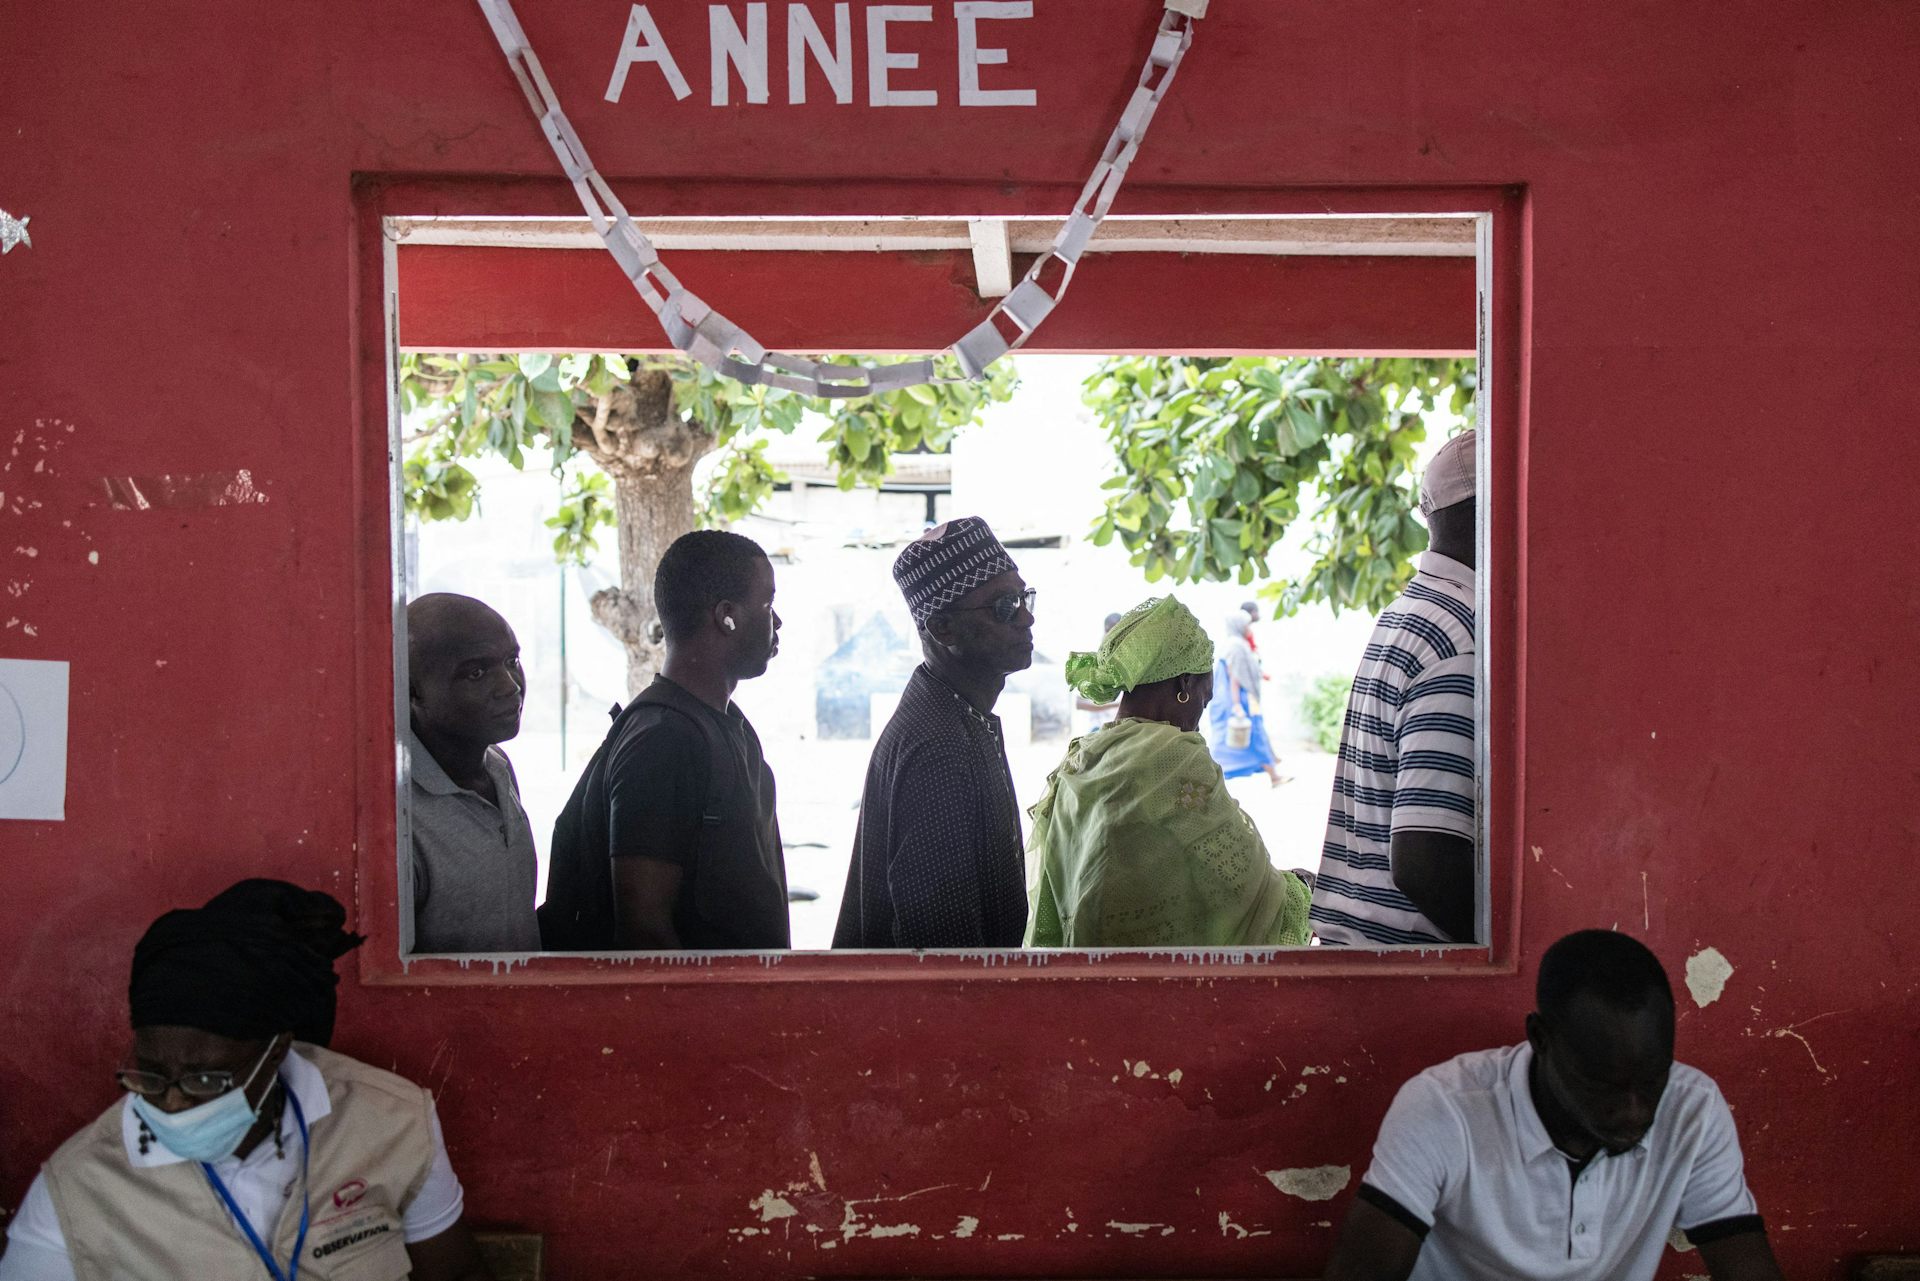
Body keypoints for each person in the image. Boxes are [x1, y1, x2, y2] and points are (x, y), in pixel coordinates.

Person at [0, 880, 492, 1281]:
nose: (172, 1103)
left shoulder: (389, 1120)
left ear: (275, 1050)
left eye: (206, 1079)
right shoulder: (80, 1188)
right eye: (150, 1075)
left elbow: (455, 1274)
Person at [1322, 929, 1783, 1281]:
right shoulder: (1445, 1110)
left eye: (1652, 1081)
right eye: (1603, 1085)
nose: (1634, 1112)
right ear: (1541, 1039)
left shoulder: (1693, 1110)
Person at [541, 530, 788, 951]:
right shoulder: (662, 740)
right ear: (726, 616)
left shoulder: (725, 724)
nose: (777, 621)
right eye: (767, 604)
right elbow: (644, 929)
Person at [1025, 596, 1313, 948]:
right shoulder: (1173, 756)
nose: (1198, 721)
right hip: (1153, 980)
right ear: (1185, 685)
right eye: (1204, 700)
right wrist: (1301, 889)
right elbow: (1241, 884)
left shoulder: (1083, 756)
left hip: (1086, 970)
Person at [833, 516, 1032, 949]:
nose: (1026, 617)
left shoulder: (956, 715)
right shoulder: (939, 747)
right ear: (943, 628)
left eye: (1024, 598)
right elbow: (945, 958)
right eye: (1004, 606)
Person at [1310, 429, 1477, 945]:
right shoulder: (1462, 635)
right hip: (1409, 973)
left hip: (1362, 961)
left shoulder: (1412, 612)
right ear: (1488, 513)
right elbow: (1423, 861)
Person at [405, 593, 541, 953]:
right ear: (412, 691)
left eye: (512, 660)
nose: (510, 686)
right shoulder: (399, 815)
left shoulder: (498, 767)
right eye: (476, 672)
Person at [1208, 608, 1287, 787]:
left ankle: (1273, 771)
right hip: (1243, 699)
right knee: (1256, 734)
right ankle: (1274, 775)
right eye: (1247, 624)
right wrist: (1236, 704)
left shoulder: (1234, 644)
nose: (1250, 628)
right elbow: (1235, 675)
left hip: (1242, 699)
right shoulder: (1236, 646)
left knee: (1253, 735)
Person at [1071, 611, 1126, 733]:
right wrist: (1118, 705)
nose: (1114, 636)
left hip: (1119, 730)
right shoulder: (1092, 659)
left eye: (1119, 631)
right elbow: (1079, 703)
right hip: (1096, 730)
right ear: (1105, 630)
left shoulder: (1128, 660)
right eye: (1111, 630)